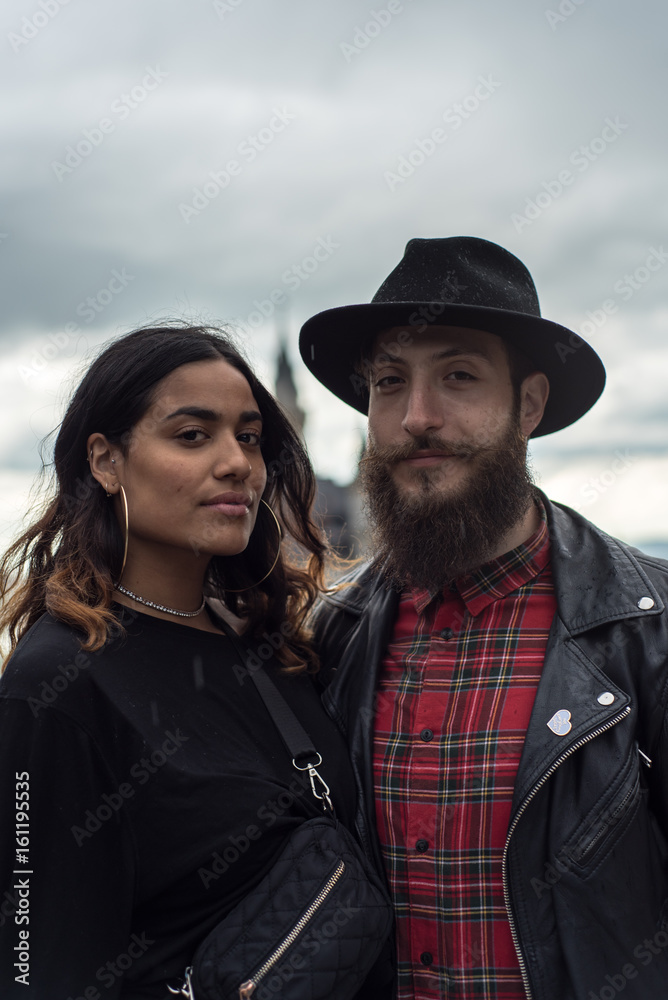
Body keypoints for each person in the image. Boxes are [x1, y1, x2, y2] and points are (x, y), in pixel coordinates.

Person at [298, 237, 668, 1000]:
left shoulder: (648, 632)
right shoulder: (335, 637)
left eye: (458, 376)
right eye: (390, 383)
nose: (417, 418)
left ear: (528, 405)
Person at [0, 324, 390, 999]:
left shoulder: (270, 648)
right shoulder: (56, 687)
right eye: (192, 435)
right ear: (106, 460)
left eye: (248, 436)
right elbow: (36, 966)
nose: (237, 462)